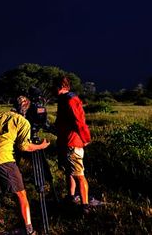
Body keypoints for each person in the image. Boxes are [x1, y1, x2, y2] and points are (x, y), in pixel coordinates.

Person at [0, 96, 50, 235]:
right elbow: (24, 146)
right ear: (26, 110)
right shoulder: (23, 122)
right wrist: (41, 146)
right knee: (21, 194)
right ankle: (28, 230)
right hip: (3, 158)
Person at [53, 76, 92, 214]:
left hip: (72, 142)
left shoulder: (71, 99)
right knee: (69, 171)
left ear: (61, 87)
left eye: (54, 87)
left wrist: (86, 138)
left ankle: (85, 205)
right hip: (65, 141)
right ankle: (71, 197)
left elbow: (80, 122)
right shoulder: (63, 100)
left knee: (79, 174)